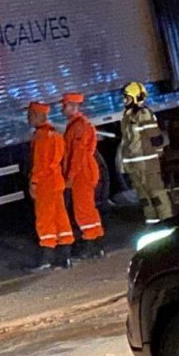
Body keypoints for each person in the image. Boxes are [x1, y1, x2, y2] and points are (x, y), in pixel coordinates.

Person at [26, 101, 73, 271]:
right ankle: (65, 257)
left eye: (30, 115)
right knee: (60, 218)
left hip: (45, 183)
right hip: (56, 181)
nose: (28, 118)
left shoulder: (41, 137)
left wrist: (34, 182)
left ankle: (46, 258)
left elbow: (40, 164)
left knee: (45, 220)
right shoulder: (55, 134)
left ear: (38, 116)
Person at [120, 82, 173, 224]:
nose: (124, 100)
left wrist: (157, 154)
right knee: (144, 198)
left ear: (136, 97)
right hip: (134, 165)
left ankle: (167, 221)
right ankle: (152, 222)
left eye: (127, 97)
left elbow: (155, 137)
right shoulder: (127, 115)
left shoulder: (143, 114)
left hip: (147, 163)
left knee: (156, 193)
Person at [61, 92, 105, 258]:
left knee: (83, 210)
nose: (62, 109)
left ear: (73, 106)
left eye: (65, 106)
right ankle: (96, 243)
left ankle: (90, 243)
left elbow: (77, 155)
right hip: (84, 170)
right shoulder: (77, 125)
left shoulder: (79, 126)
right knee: (87, 208)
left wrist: (70, 176)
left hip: (82, 172)